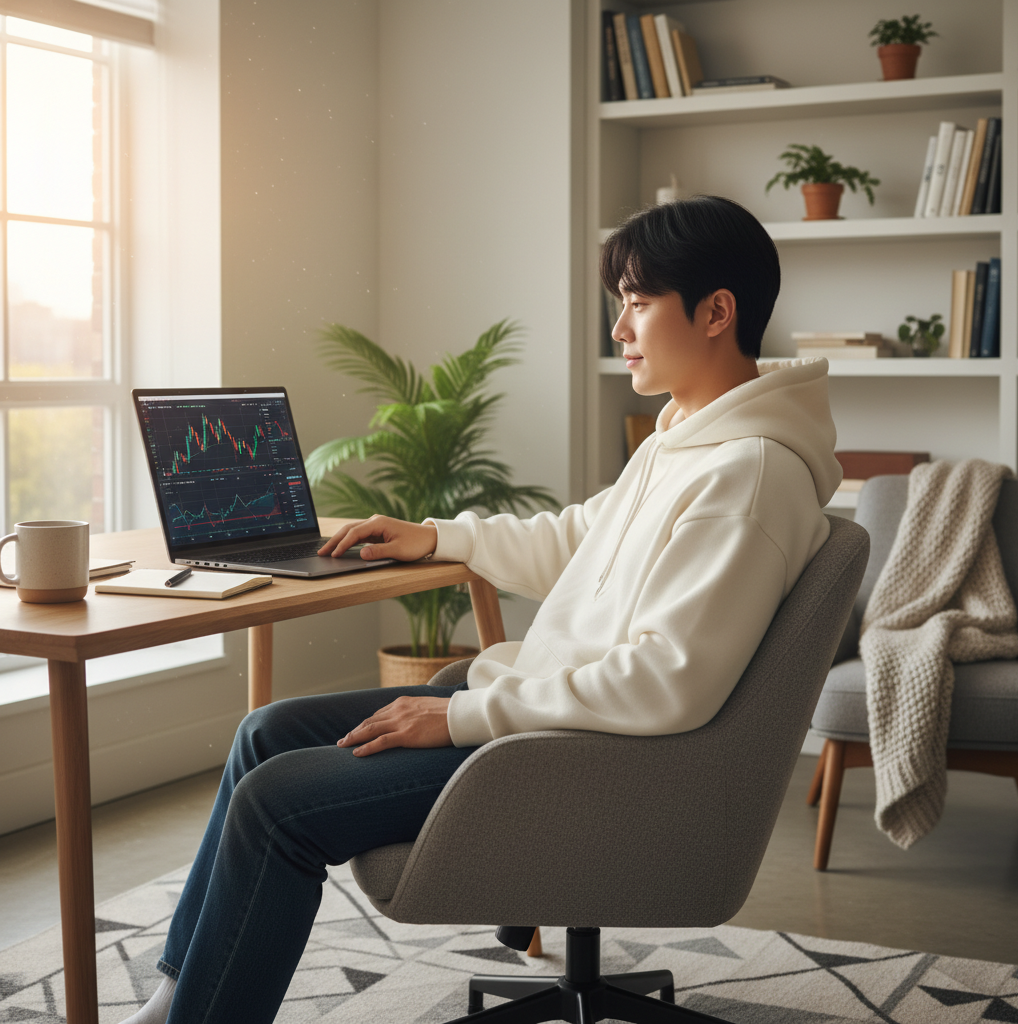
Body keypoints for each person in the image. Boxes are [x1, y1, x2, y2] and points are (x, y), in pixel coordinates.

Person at [125, 195, 841, 1024]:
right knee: (268, 733)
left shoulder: (747, 472)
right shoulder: (690, 434)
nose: (620, 329)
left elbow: (667, 683)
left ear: (718, 312)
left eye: (639, 303)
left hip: (581, 759)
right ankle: (184, 992)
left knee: (275, 804)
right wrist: (435, 537)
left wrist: (461, 716)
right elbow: (582, 538)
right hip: (547, 717)